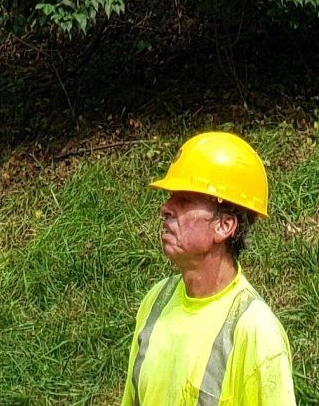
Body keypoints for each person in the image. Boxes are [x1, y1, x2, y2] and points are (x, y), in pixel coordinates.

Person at [120, 131, 295, 406]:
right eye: (170, 197)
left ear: (224, 226)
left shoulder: (256, 332)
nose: (166, 208)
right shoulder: (155, 301)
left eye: (185, 200)